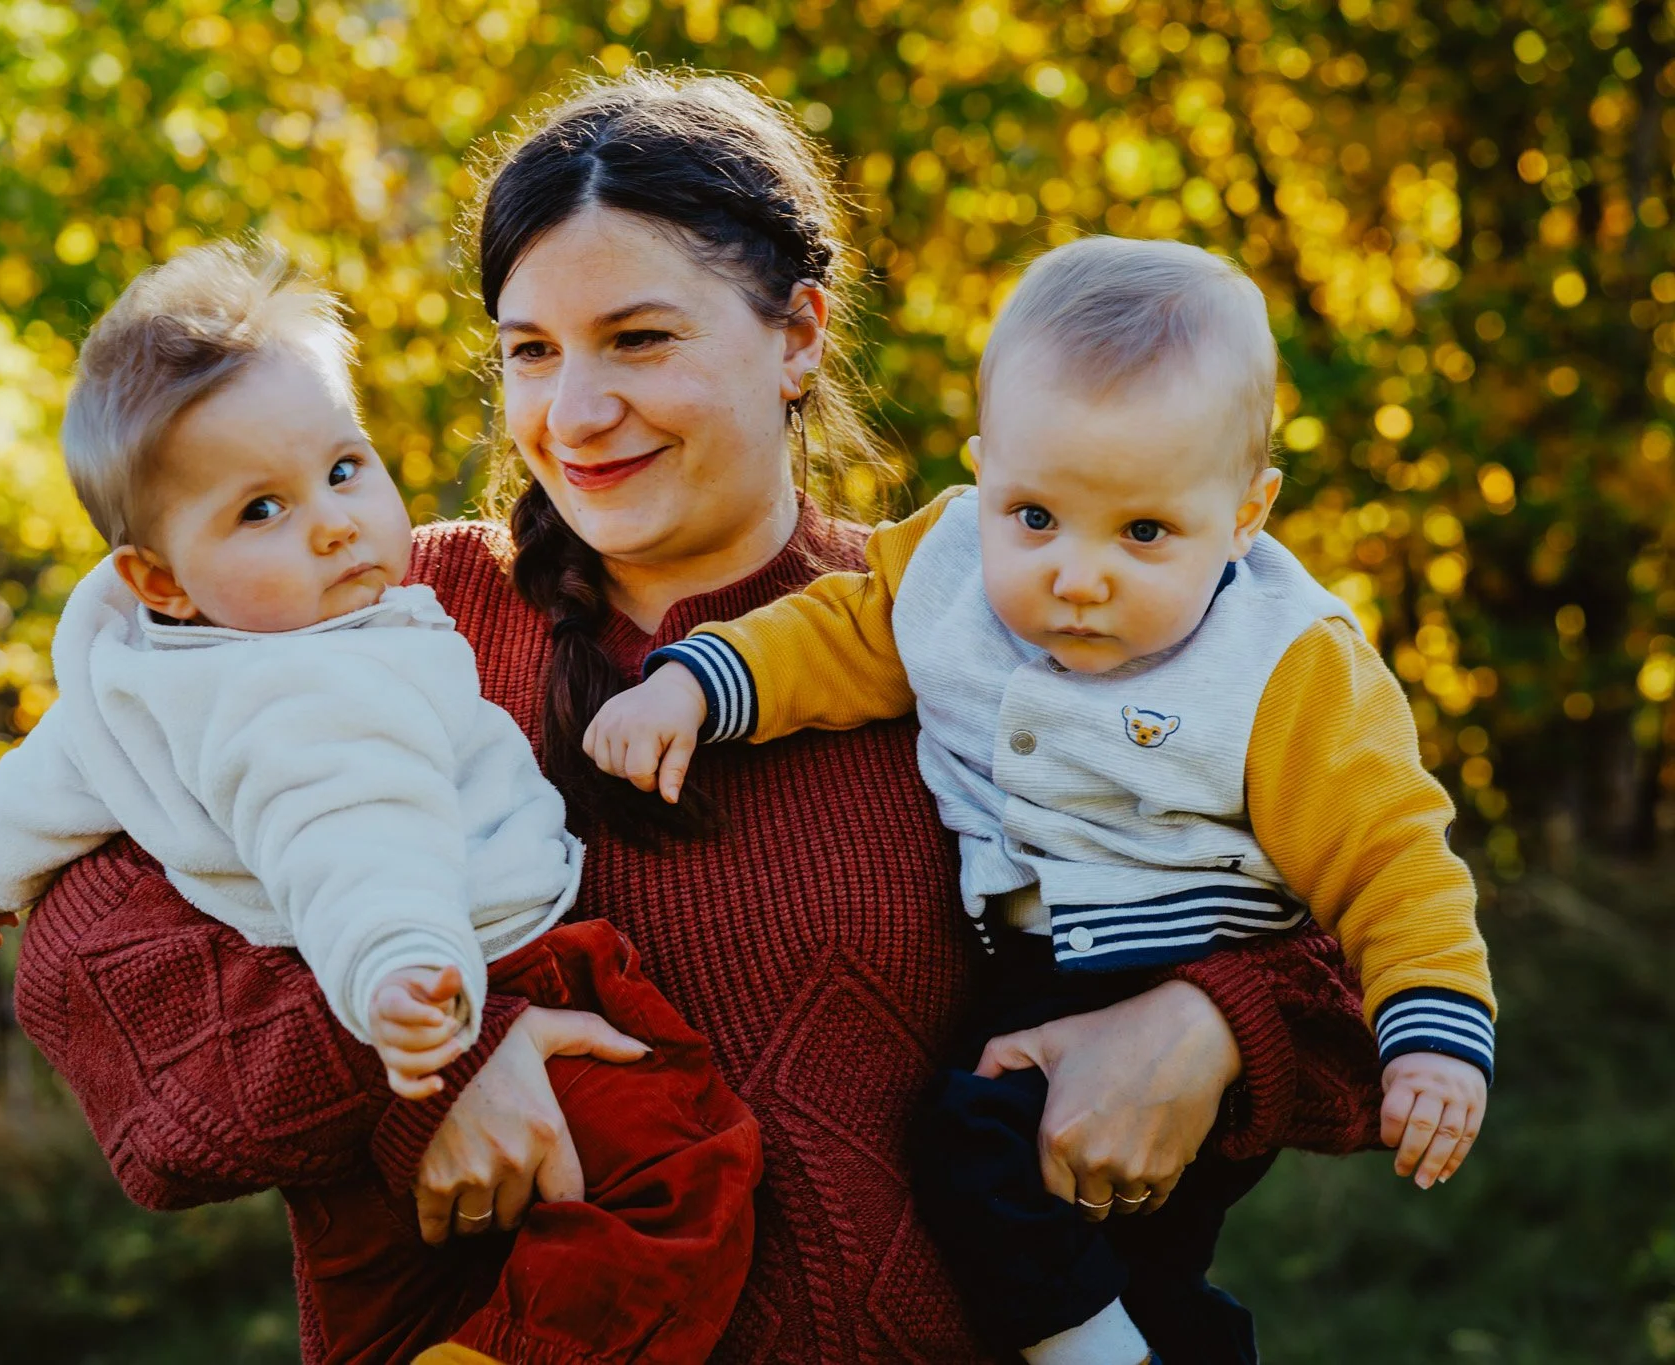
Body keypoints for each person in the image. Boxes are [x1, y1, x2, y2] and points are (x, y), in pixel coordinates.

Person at [8, 72, 1385, 1364]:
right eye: (532, 352)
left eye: (640, 339)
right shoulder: (372, 619)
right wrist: (423, 1065)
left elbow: (1355, 919)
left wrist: (1209, 1030)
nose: (578, 410)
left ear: (798, 332)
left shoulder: (980, 614)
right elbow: (86, 948)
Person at [586, 235, 1495, 1365]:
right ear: (983, 469)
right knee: (1112, 1253)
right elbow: (838, 630)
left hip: (1174, 966)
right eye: (1033, 517)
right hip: (1022, 967)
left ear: (1246, 513)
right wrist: (697, 683)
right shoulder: (949, 567)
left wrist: (1433, 1037)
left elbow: (1388, 860)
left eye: (1143, 533)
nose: (1075, 573)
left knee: (977, 1150)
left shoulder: (1283, 663)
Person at [0, 239, 762, 1364]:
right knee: (678, 1177)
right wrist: (420, 1010)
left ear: (794, 335)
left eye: (343, 469)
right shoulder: (330, 682)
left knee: (378, 1300)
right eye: (260, 511)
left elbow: (51, 779)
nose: (330, 524)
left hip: (399, 1025)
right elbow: (359, 845)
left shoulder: (140, 667)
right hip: (467, 976)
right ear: (160, 577)